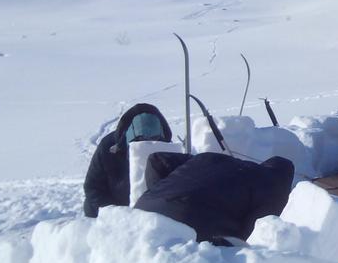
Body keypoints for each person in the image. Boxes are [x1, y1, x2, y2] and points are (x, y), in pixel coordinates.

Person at [135, 152, 294, 244]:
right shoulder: (272, 185)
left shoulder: (206, 158)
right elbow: (254, 235)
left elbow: (157, 160)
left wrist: (161, 196)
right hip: (191, 233)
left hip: (138, 218)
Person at [84, 103, 173, 217]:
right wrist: (115, 213)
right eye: (139, 141)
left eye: (152, 141)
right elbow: (92, 186)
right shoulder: (108, 147)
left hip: (152, 213)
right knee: (90, 205)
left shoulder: (167, 148)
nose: (145, 145)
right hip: (113, 210)